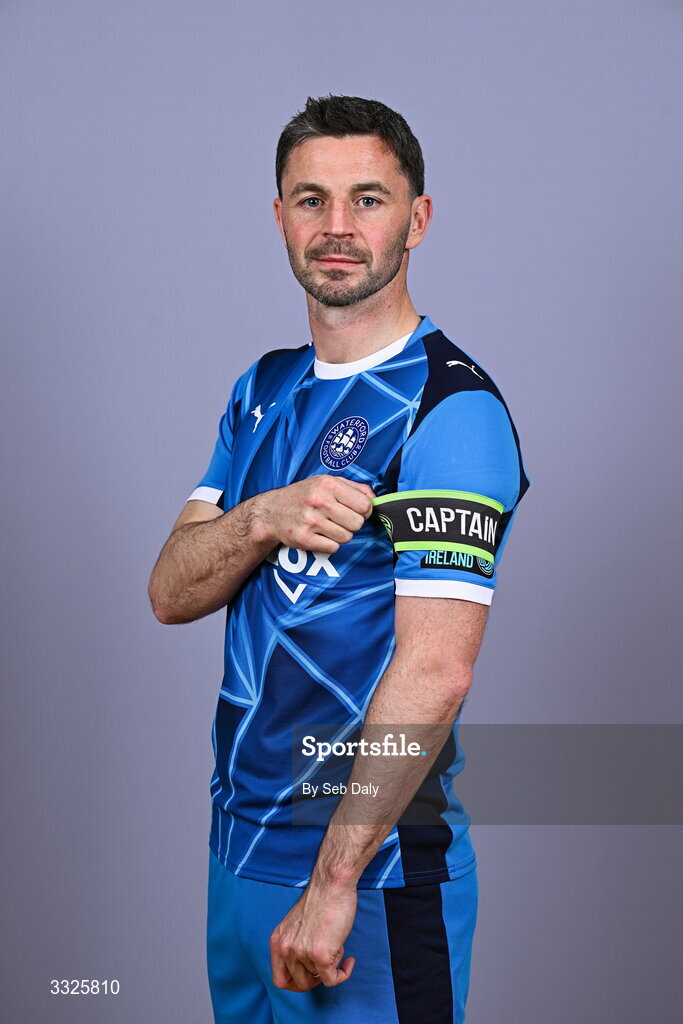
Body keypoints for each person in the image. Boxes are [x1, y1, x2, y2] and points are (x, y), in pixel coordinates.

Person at [148, 94, 530, 1024]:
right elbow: (170, 589)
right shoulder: (263, 389)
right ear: (278, 217)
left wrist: (332, 883)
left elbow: (436, 671)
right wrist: (264, 516)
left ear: (417, 218)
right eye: (310, 199)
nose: (337, 227)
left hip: (367, 876)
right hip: (238, 854)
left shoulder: (451, 411)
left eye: (368, 199)